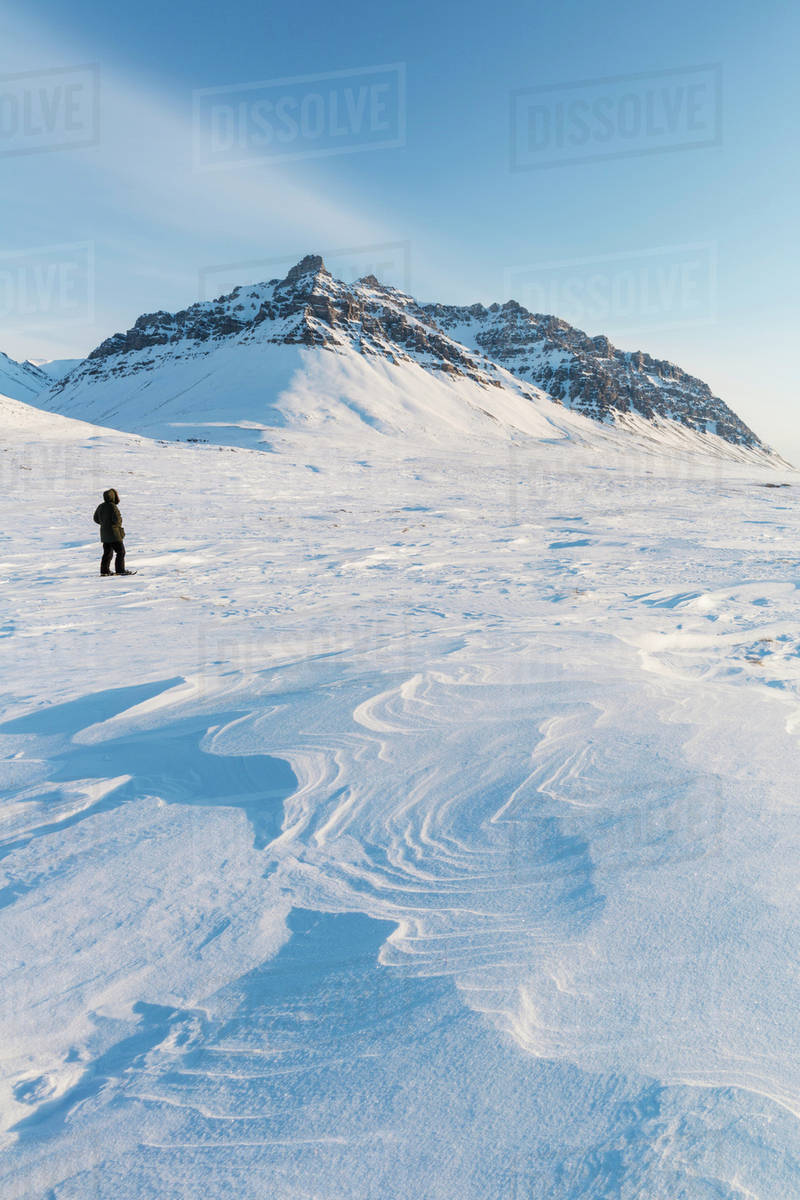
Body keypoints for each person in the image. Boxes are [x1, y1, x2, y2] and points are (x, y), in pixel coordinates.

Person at [93, 487, 133, 576]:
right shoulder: (113, 506)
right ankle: (120, 570)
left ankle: (104, 571)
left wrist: (104, 524)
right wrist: (116, 525)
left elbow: (95, 519)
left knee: (107, 553)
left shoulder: (101, 506)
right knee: (121, 552)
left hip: (104, 534)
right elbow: (117, 520)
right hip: (114, 534)